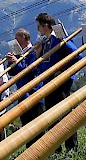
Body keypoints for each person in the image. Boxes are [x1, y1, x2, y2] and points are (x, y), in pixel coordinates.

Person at [34, 13, 81, 152]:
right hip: (48, 82)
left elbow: (76, 55)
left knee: (65, 114)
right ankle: (56, 148)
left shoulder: (58, 38)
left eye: (39, 26)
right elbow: (41, 65)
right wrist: (38, 53)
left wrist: (63, 71)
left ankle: (71, 147)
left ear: (46, 26)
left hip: (60, 83)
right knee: (51, 116)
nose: (38, 30)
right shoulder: (46, 41)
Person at [6, 28, 45, 147]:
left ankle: (40, 147)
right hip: (22, 91)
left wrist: (17, 62)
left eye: (17, 38)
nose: (15, 41)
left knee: (36, 121)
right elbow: (12, 73)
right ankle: (30, 147)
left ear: (24, 38)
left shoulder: (33, 52)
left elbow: (30, 70)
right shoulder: (19, 53)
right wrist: (11, 62)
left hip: (33, 91)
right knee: (25, 121)